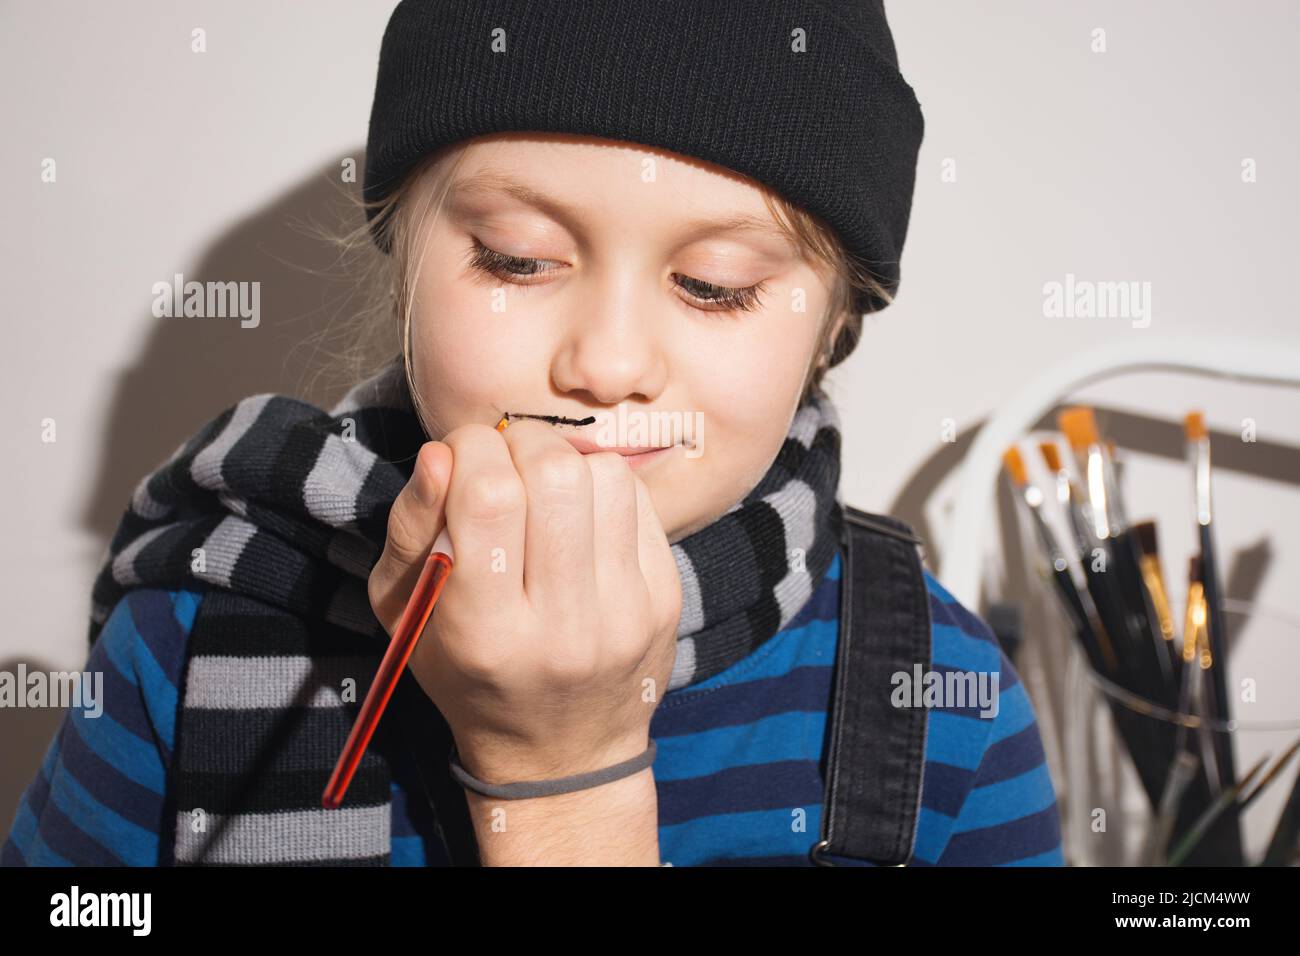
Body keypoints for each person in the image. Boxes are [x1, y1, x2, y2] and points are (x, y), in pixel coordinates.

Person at [2, 0, 1063, 867]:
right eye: (516, 258)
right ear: (405, 269)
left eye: (714, 285)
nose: (605, 362)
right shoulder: (187, 641)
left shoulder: (937, 695)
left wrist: (564, 781)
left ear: (833, 326)